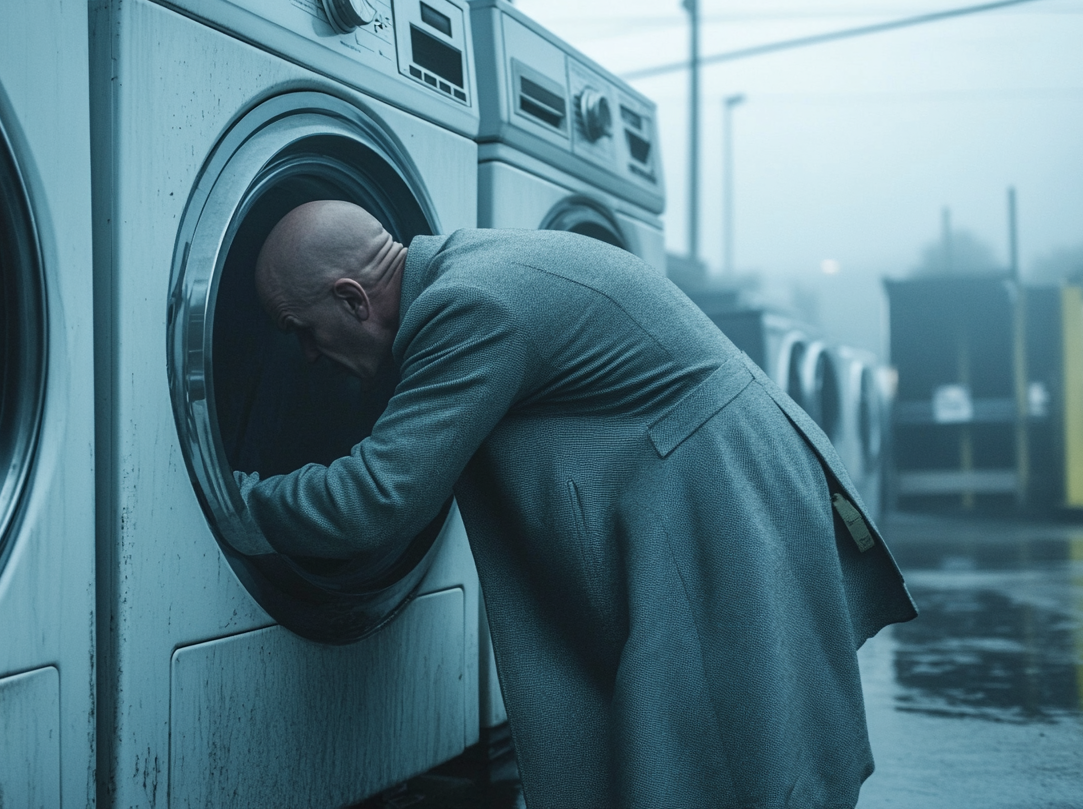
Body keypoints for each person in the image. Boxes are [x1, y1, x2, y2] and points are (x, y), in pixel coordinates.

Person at [226, 200, 917, 809]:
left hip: (715, 505)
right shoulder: (470, 269)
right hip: (719, 483)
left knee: (728, 764)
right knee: (737, 751)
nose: (307, 356)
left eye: (302, 330)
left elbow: (380, 496)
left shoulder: (465, 305)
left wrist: (245, 502)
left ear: (353, 300)